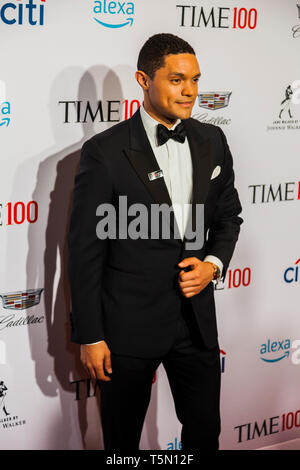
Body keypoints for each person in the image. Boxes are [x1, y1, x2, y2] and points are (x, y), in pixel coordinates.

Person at [68, 33, 243, 451]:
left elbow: (228, 217)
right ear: (144, 80)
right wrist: (90, 336)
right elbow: (84, 251)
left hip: (196, 323)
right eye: (177, 80)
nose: (190, 92)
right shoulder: (104, 153)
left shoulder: (212, 141)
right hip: (126, 328)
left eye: (195, 80)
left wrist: (212, 265)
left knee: (205, 434)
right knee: (122, 442)